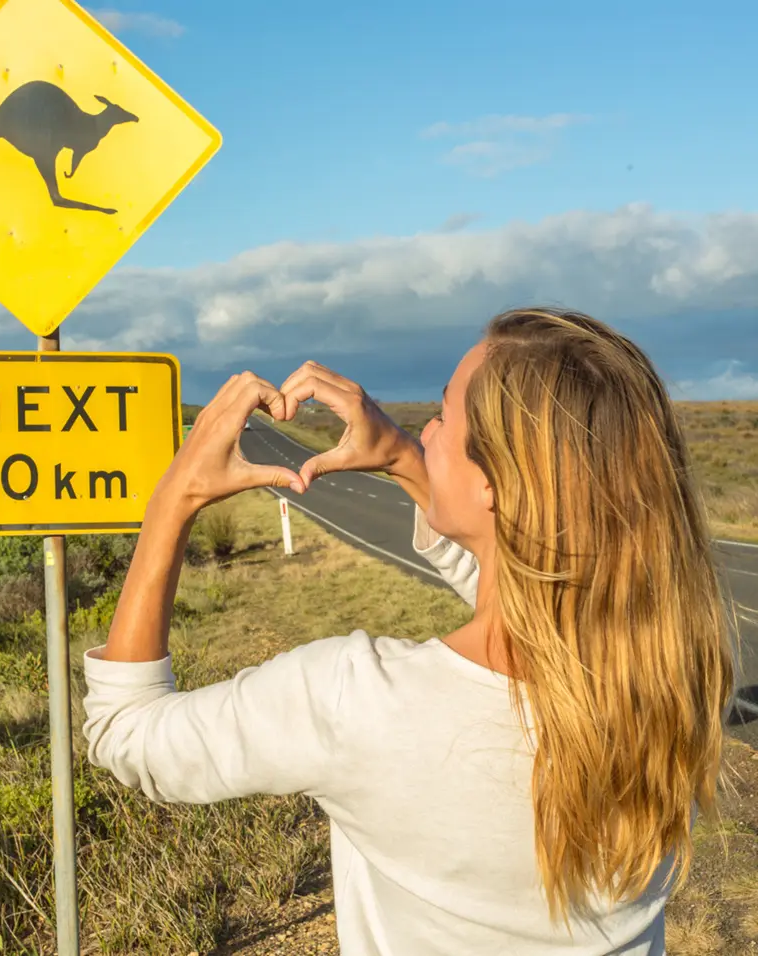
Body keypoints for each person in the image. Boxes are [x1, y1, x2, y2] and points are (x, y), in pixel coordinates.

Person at [82, 307, 739, 955]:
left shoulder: (359, 702)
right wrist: (401, 456)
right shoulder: (673, 678)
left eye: (445, 415)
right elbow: (526, 585)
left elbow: (125, 729)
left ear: (495, 483)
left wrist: (174, 497)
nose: (427, 427)